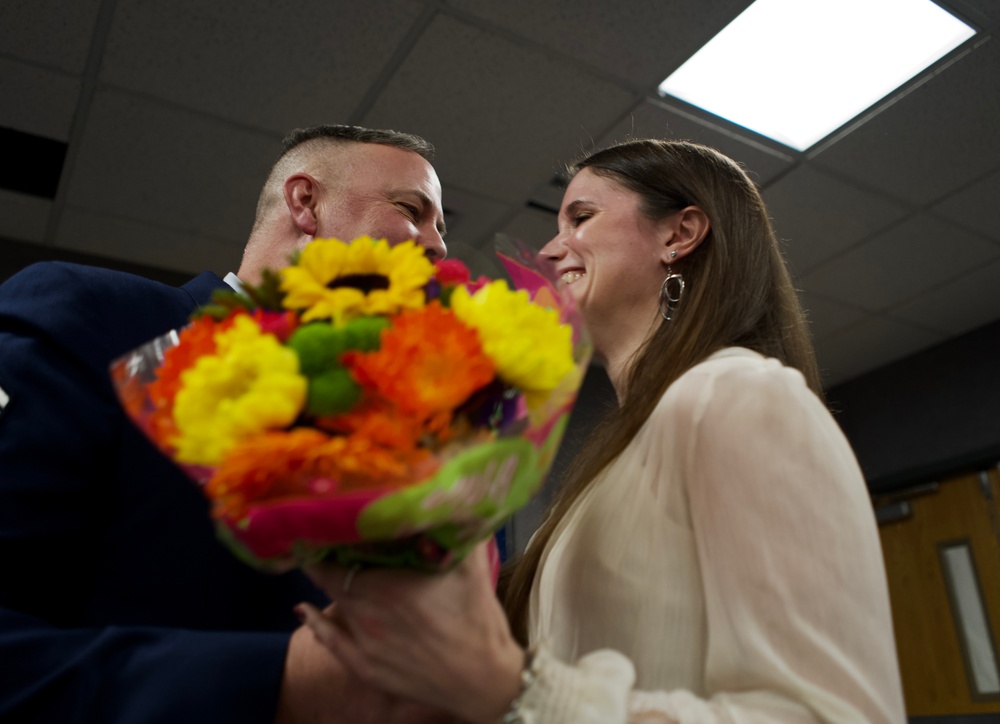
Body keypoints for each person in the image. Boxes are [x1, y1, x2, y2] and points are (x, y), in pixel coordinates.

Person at [298, 139, 908, 723]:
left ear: (679, 234)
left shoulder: (739, 395)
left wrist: (515, 690)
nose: (550, 251)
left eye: (580, 218)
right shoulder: (609, 464)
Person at [0, 124, 451, 724]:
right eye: (412, 209)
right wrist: (279, 682)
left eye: (443, 227)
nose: (439, 247)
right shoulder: (91, 316)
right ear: (305, 203)